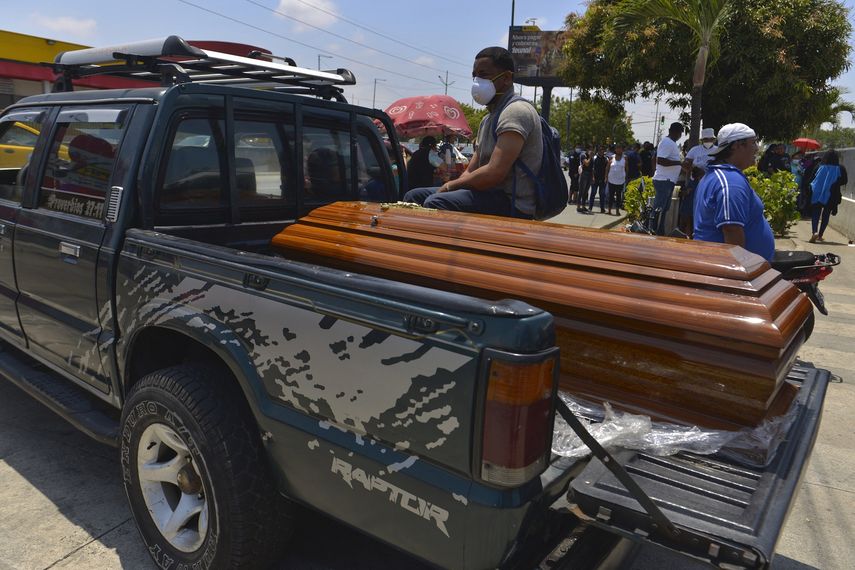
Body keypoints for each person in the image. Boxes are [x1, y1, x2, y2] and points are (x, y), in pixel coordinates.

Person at [402, 46, 542, 217]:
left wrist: (450, 186)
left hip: (511, 203)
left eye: (483, 75)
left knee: (436, 202)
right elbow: (471, 170)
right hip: (487, 194)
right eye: (474, 76)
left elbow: (494, 173)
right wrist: (453, 186)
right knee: (413, 196)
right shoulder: (487, 119)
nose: (476, 82)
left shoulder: (517, 112)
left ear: (506, 78)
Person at [693, 123, 775, 261]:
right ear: (736, 145)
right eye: (753, 143)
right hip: (731, 273)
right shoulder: (730, 181)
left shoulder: (718, 175)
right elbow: (732, 231)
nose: (757, 148)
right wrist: (739, 275)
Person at [679, 127, 717, 237]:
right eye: (706, 139)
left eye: (710, 139)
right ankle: (684, 234)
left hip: (710, 184)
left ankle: (700, 234)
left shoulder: (717, 150)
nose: (708, 141)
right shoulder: (695, 150)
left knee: (705, 210)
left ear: (713, 139)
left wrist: (705, 173)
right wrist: (693, 168)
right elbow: (686, 164)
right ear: (702, 140)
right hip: (694, 183)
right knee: (687, 210)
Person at [808, 149, 848, 243]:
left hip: (817, 193)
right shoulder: (840, 168)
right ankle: (820, 235)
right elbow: (844, 181)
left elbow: (811, 178)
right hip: (832, 194)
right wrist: (835, 183)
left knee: (816, 213)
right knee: (826, 214)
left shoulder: (819, 166)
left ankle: (815, 232)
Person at [651, 122, 684, 234]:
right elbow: (660, 160)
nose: (680, 136)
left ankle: (659, 232)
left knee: (663, 210)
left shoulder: (670, 143)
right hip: (664, 180)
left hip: (667, 181)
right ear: (676, 132)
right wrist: (679, 163)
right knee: (659, 209)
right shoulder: (668, 143)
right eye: (680, 133)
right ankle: (652, 231)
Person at [606, 142, 628, 215]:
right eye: (617, 149)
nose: (618, 150)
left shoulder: (625, 158)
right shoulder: (611, 157)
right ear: (615, 150)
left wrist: (626, 177)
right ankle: (609, 210)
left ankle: (617, 210)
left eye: (620, 149)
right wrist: (606, 177)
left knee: (619, 196)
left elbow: (626, 168)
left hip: (620, 181)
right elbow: (607, 168)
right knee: (611, 196)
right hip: (611, 180)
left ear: (622, 150)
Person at [588, 146, 609, 213]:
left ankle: (602, 209)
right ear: (598, 151)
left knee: (602, 195)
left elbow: (607, 169)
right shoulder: (594, 158)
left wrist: (606, 177)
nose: (602, 151)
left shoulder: (606, 159)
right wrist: (593, 177)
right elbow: (592, 169)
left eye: (603, 150)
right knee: (593, 193)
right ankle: (590, 208)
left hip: (603, 180)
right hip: (595, 179)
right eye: (600, 150)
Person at [577, 145, 593, 213]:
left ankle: (583, 206)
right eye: (589, 149)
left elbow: (592, 166)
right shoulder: (583, 155)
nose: (591, 150)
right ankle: (578, 206)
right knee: (581, 191)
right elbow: (586, 164)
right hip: (584, 174)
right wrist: (590, 157)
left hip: (589, 174)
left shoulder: (591, 157)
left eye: (591, 149)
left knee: (586, 192)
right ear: (587, 149)